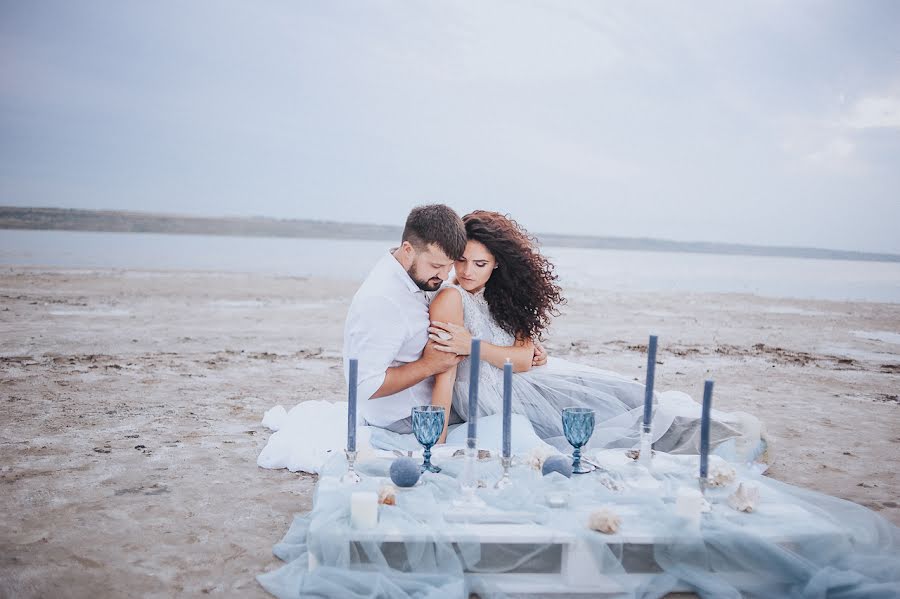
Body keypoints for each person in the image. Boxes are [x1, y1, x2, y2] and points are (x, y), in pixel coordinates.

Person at [428, 210, 759, 455]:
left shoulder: (503, 297)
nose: (467, 271)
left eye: (480, 264)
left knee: (624, 394)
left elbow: (524, 359)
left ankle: (716, 436)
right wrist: (435, 444)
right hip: (490, 398)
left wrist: (474, 346)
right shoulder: (451, 299)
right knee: (602, 420)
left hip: (525, 381)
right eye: (461, 261)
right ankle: (703, 442)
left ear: (497, 263)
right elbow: (446, 376)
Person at [342, 204, 548, 434]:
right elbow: (363, 386)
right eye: (439, 266)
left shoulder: (421, 276)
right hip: (409, 417)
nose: (447, 275)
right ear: (408, 250)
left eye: (450, 264)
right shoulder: (384, 300)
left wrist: (523, 348)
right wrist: (429, 365)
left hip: (461, 398)